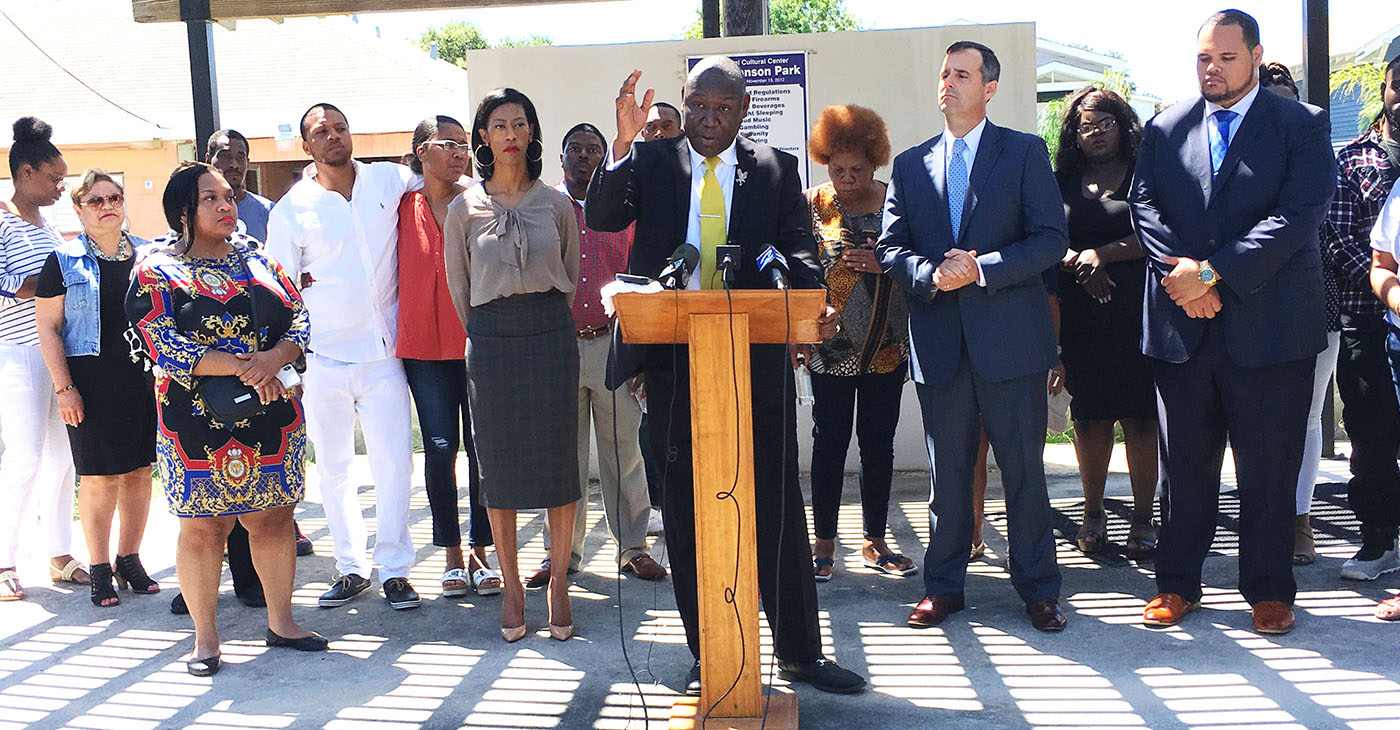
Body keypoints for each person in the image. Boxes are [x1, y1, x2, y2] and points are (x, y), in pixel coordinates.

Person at [588, 58, 865, 696]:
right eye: (698, 107)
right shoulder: (653, 162)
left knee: (774, 503)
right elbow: (602, 215)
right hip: (673, 361)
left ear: (743, 112)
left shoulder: (772, 168)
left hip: (754, 354)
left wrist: (804, 294)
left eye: (723, 109)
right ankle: (705, 647)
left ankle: (799, 654)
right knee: (684, 508)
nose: (709, 120)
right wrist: (624, 142)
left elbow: (798, 248)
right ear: (683, 106)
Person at [1131, 10, 1335, 635]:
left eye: (1225, 58)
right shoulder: (1166, 126)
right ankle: (1177, 585)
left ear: (1254, 56)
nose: (1212, 69)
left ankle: (1269, 590)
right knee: (1185, 464)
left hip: (1271, 327)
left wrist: (1213, 273)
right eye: (1202, 59)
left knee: (1268, 466)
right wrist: (1183, 276)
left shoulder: (1299, 124)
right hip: (1182, 328)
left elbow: (1299, 214)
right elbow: (1144, 201)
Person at [880, 41, 1069, 633]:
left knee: (1023, 474)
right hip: (939, 345)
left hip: (1011, 344)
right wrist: (931, 273)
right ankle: (944, 587)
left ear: (989, 88)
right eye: (944, 74)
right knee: (948, 478)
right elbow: (890, 248)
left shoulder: (1025, 153)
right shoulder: (912, 165)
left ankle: (1038, 588)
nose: (949, 83)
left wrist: (981, 267)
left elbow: (1049, 239)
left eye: (962, 75)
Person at [127, 162, 326, 676]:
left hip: (268, 411)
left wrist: (275, 358)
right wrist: (249, 367)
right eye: (210, 198)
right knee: (203, 528)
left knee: (274, 518)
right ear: (184, 211)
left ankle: (282, 622)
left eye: (228, 196)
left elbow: (300, 317)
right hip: (193, 418)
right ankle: (205, 639)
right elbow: (163, 341)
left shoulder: (258, 259)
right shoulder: (157, 270)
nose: (225, 205)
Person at [265, 103, 423, 611]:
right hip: (324, 359)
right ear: (306, 146)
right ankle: (352, 568)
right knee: (334, 467)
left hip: (385, 354)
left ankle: (396, 570)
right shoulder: (291, 210)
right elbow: (280, 293)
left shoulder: (389, 180)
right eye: (320, 132)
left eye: (339, 128)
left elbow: (441, 188)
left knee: (394, 463)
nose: (333, 137)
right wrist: (292, 367)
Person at [442, 87, 582, 642]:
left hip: (550, 333)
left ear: (530, 133)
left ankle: (558, 585)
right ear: (483, 137)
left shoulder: (556, 202)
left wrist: (542, 315)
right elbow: (460, 287)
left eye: (519, 124)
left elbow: (568, 269)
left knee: (557, 460)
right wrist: (489, 327)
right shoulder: (462, 208)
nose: (509, 134)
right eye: (498, 125)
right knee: (496, 462)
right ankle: (512, 586)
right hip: (493, 340)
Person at [533, 121, 665, 584]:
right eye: (576, 149)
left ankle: (632, 547)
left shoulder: (622, 208)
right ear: (561, 155)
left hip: (613, 343)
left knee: (624, 453)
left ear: (604, 156)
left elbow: (641, 276)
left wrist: (641, 353)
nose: (584, 156)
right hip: (559, 347)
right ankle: (561, 555)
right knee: (561, 458)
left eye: (594, 149)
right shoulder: (543, 206)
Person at [33, 169, 158, 608]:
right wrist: (64, 388)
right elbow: (48, 328)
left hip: (143, 379)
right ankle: (100, 566)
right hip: (89, 383)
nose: (108, 207)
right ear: (79, 208)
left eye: (115, 198)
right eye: (97, 200)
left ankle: (130, 559)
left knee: (140, 471)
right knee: (101, 477)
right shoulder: (63, 260)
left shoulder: (149, 255)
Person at [801, 104, 913, 582]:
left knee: (878, 446)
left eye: (858, 169)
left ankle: (875, 539)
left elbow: (918, 264)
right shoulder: (811, 205)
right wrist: (801, 330)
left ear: (876, 162)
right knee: (828, 445)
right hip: (830, 349)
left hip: (887, 347)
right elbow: (798, 269)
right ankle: (823, 541)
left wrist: (885, 264)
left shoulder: (897, 204)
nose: (847, 179)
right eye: (837, 169)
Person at [397, 115, 502, 599]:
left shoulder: (482, 202)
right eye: (448, 144)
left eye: (464, 145)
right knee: (441, 450)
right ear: (421, 151)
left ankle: (482, 550)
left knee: (484, 448)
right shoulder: (398, 206)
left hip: (477, 341)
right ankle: (452, 553)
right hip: (423, 349)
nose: (460, 152)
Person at [1052, 88, 1160, 559]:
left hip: (1138, 311)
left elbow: (1159, 234)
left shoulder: (1146, 173)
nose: (1094, 133)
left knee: (1140, 418)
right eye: (1084, 126)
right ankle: (1092, 512)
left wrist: (1102, 255)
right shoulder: (1059, 181)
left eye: (1104, 123)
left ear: (1124, 125)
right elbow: (1043, 236)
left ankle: (1142, 518)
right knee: (1090, 416)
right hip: (1081, 317)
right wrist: (1079, 262)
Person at [1324, 37, 1400, 618]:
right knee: (1372, 435)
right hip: (1366, 318)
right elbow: (1340, 243)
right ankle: (1378, 538)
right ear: (1385, 91)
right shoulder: (1349, 159)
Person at [1258, 63, 1341, 565]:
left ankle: (1299, 519)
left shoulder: (1318, 151)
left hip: (1315, 302)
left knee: (1307, 416)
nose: (1280, 109)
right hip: (1237, 303)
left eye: (1288, 97)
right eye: (1270, 99)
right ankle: (1260, 521)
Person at [0, 117, 83, 602]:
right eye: (54, 178)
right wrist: (63, 283)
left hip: (56, 353)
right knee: (25, 457)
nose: (60, 187)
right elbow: (12, 285)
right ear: (26, 171)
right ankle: (4, 559)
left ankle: (59, 554)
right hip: (16, 354)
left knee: (63, 458)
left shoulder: (50, 224)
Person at [207, 129, 276, 243]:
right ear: (209, 159)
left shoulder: (268, 211)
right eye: (226, 156)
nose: (234, 165)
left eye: (241, 158)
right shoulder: (193, 210)